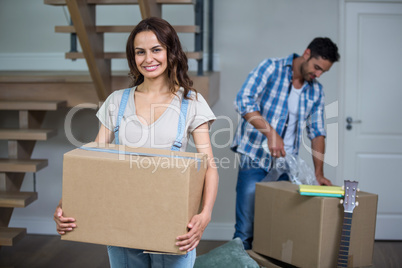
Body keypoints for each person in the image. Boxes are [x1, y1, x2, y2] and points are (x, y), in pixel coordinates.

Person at [54, 17, 219, 267]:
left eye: (156, 50)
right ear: (133, 57)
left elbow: (210, 167)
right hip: (122, 224)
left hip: (173, 227)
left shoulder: (191, 102)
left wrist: (204, 215)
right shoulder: (116, 101)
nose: (148, 59)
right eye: (140, 52)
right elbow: (94, 162)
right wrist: (65, 205)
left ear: (170, 51)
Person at [231, 37, 340, 250]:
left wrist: (318, 173)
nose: (317, 75)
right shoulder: (271, 68)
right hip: (255, 159)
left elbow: (317, 131)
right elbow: (243, 100)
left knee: (278, 229)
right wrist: (270, 133)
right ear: (306, 53)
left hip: (286, 168)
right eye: (317, 68)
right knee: (245, 230)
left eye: (323, 72)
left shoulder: (316, 91)